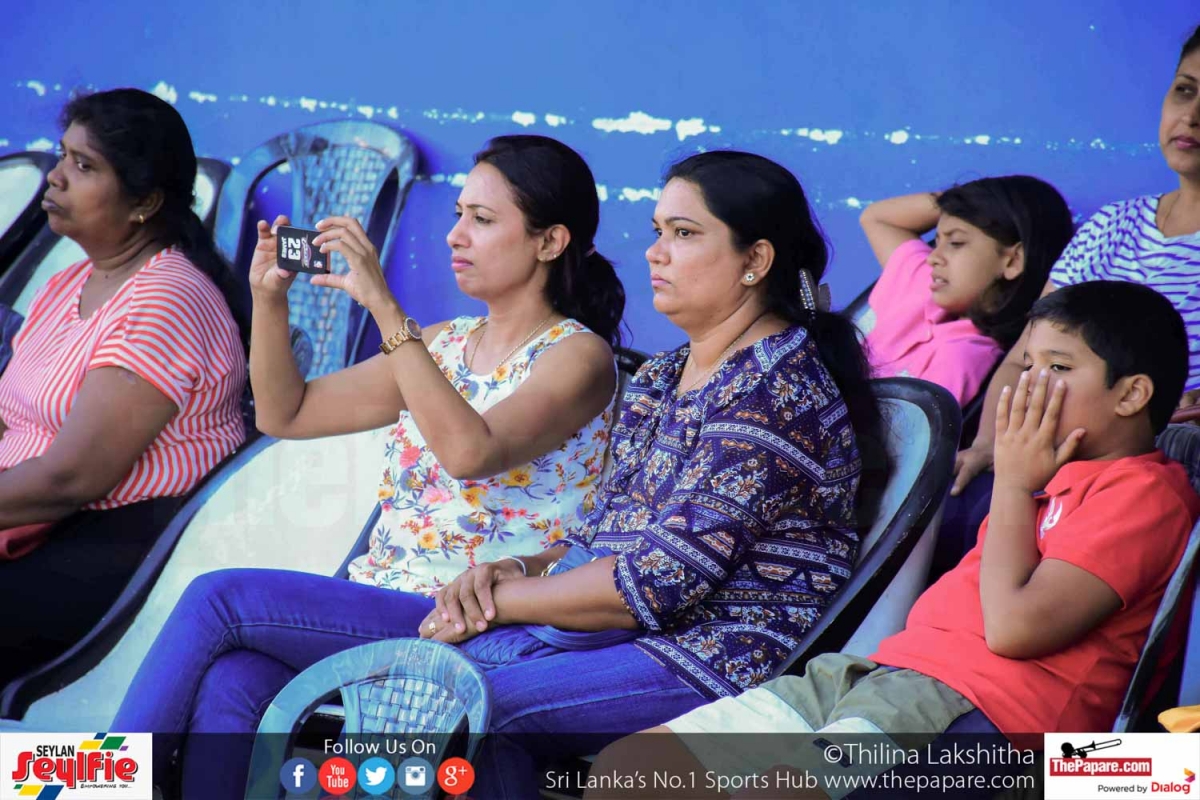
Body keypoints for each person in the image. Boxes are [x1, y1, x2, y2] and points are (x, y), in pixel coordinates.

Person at [110, 150, 878, 799]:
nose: (655, 252)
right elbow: (605, 536)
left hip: (708, 650)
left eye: (683, 234)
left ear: (755, 261)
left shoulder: (773, 393)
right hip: (579, 623)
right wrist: (513, 570)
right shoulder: (667, 375)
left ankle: (97, 784)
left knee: (456, 702)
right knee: (242, 678)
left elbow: (652, 583)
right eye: (656, 232)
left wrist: (497, 599)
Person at [592, 281, 1200, 799]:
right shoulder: (1044, 478)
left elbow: (1015, 632)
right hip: (873, 675)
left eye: (1059, 369)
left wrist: (1013, 483)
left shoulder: (1144, 493)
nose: (1029, 386)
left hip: (983, 713)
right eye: (1026, 366)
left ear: (1131, 394)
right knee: (631, 771)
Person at [250, 134, 625, 595]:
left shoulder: (578, 355)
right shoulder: (441, 343)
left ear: (549, 242)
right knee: (232, 629)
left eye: (481, 219)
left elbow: (469, 454)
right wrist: (268, 300)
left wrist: (384, 306)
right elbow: (285, 414)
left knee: (225, 599)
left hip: (469, 613)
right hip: (377, 592)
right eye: (458, 214)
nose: (455, 236)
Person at [0, 89, 249, 684]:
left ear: (145, 202)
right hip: (36, 527)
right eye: (63, 156)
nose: (56, 177)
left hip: (110, 555)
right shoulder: (70, 283)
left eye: (84, 166)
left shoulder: (163, 299)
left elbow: (72, 478)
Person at [953, 23, 1200, 499]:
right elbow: (1023, 359)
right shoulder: (1112, 224)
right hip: (1040, 456)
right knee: (957, 503)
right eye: (1184, 90)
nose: (1191, 116)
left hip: (1155, 475)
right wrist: (988, 447)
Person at [859, 176, 1074, 406]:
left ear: (1013, 261)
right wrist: (962, 201)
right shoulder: (923, 283)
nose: (933, 257)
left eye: (956, 243)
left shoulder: (961, 358)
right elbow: (877, 218)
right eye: (937, 242)